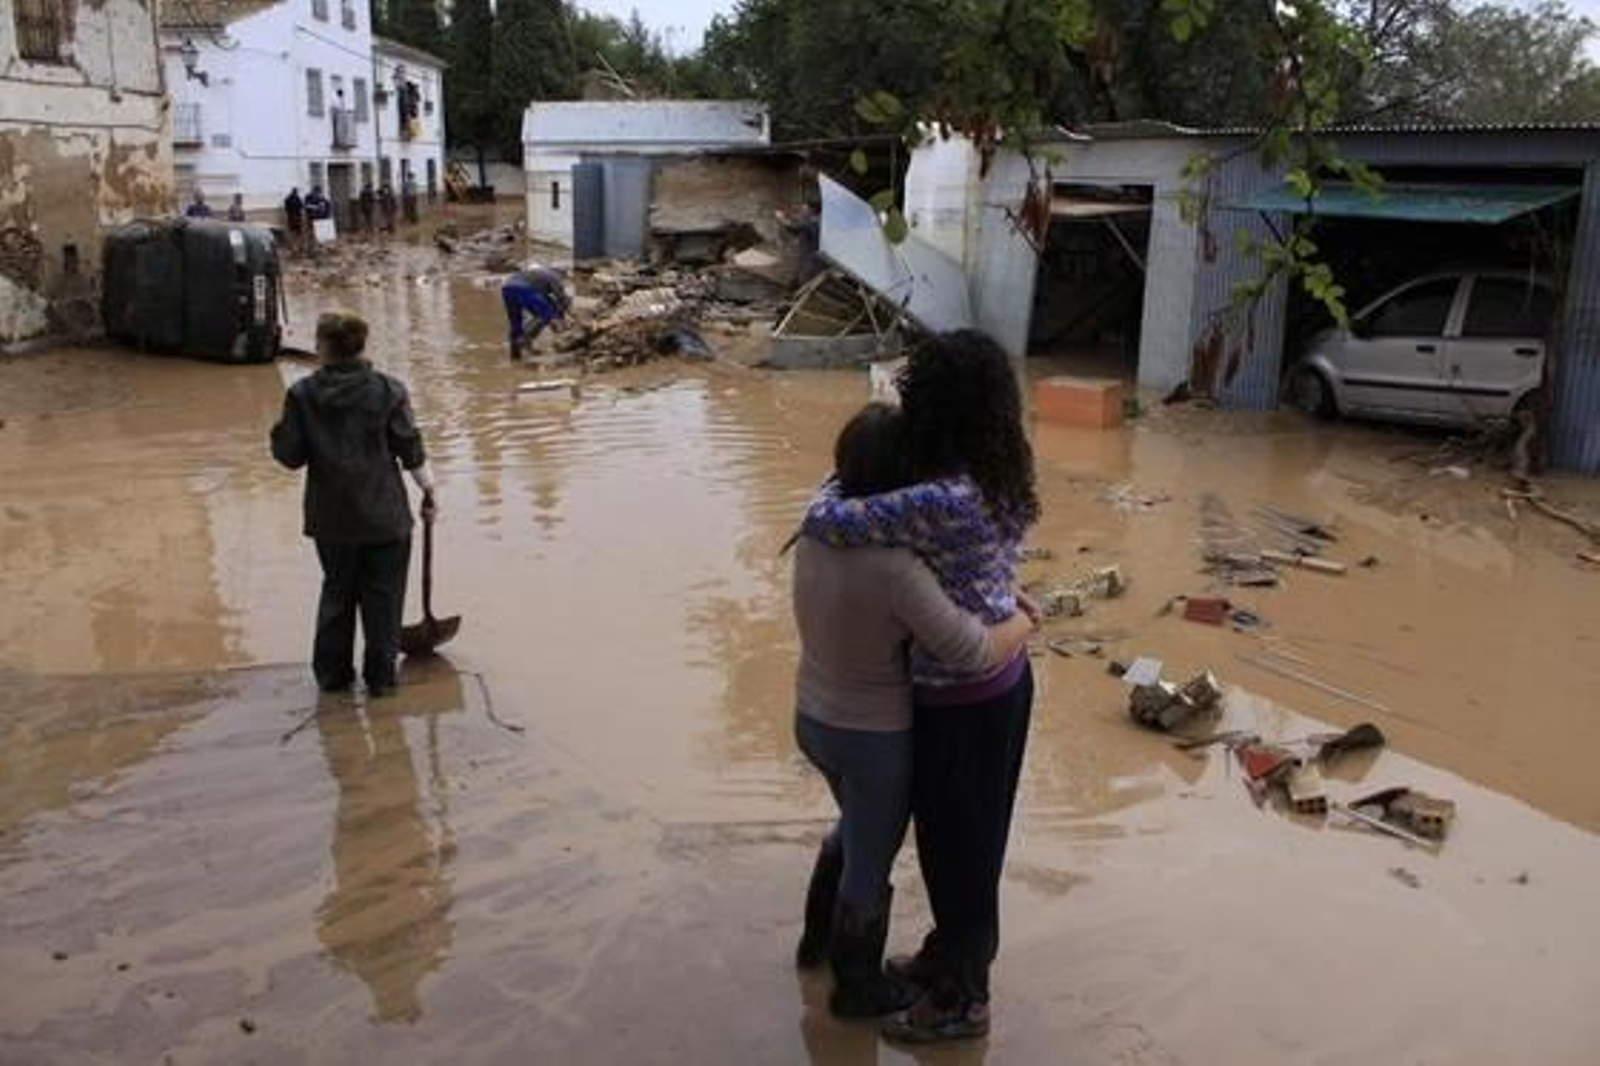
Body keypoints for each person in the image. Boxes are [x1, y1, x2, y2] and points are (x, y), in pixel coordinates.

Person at [798, 330, 1041, 1043]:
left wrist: (838, 479)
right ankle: (948, 956)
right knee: (964, 844)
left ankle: (965, 999)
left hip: (965, 696)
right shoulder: (993, 469)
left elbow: (829, 515)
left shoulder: (941, 498)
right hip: (998, 687)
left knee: (961, 855)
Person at [270, 311, 437, 696]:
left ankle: (333, 678)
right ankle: (381, 680)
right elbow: (410, 448)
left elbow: (290, 456)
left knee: (337, 593)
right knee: (384, 597)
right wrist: (429, 488)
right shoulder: (389, 390)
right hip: (385, 517)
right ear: (362, 345)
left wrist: (279, 431)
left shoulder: (302, 395)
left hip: (331, 520)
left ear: (322, 346)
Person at [501, 263, 570, 360]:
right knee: (544, 315)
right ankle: (525, 339)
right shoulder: (554, 276)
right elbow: (561, 297)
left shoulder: (537, 275)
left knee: (516, 322)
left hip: (507, 288)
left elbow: (545, 300)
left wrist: (556, 314)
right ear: (561, 273)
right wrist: (562, 315)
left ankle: (515, 356)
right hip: (523, 288)